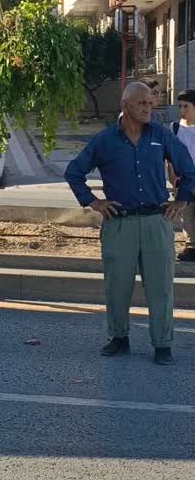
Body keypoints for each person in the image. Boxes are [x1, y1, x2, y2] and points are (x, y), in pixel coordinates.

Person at [65, 81, 195, 365]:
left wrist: (181, 201)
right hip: (119, 223)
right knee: (117, 285)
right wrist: (94, 201)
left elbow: (189, 170)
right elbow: (74, 172)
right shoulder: (105, 140)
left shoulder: (161, 135)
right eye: (142, 104)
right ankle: (119, 338)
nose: (149, 108)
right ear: (125, 106)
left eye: (150, 103)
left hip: (156, 222)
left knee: (160, 287)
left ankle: (162, 345)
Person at [170, 89, 195, 262]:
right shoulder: (175, 128)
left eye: (186, 106)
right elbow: (169, 155)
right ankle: (191, 247)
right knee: (187, 215)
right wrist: (172, 175)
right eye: (180, 106)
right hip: (185, 179)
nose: (182, 110)